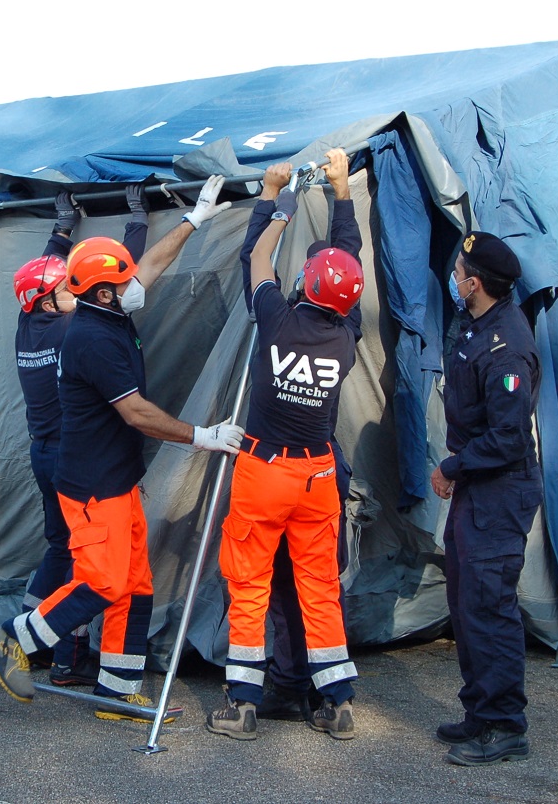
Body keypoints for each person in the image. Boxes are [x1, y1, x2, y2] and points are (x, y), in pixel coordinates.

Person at [0, 175, 245, 721]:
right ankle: (14, 637)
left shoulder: (107, 310)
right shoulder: (93, 339)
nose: (133, 283)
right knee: (101, 581)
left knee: (134, 581)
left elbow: (147, 267)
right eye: (119, 281)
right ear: (103, 292)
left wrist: (194, 220)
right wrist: (204, 436)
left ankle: (117, 690)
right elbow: (136, 414)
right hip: (92, 486)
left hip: (117, 477)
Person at [206, 153, 364, 742]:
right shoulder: (345, 338)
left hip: (265, 468)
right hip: (320, 476)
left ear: (305, 287)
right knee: (318, 587)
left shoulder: (274, 318)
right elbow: (348, 266)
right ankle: (337, 700)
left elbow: (256, 258)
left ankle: (243, 702)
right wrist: (342, 194)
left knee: (250, 585)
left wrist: (277, 200)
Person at [11, 188, 149, 687]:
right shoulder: (74, 331)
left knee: (60, 551)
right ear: (50, 301)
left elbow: (52, 274)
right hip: (74, 461)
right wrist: (135, 226)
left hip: (43, 452)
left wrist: (62, 228)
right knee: (87, 565)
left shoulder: (29, 326)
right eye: (62, 291)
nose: (70, 291)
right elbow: (104, 286)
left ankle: (51, 650)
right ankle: (56, 654)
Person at [429, 230, 541, 766]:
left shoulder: (507, 346)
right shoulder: (478, 326)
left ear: (474, 284)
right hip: (478, 488)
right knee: (466, 603)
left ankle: (504, 725)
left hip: (500, 489)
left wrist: (453, 464)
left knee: (490, 606)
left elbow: (509, 436)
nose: (454, 277)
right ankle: (479, 711)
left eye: (458, 272)